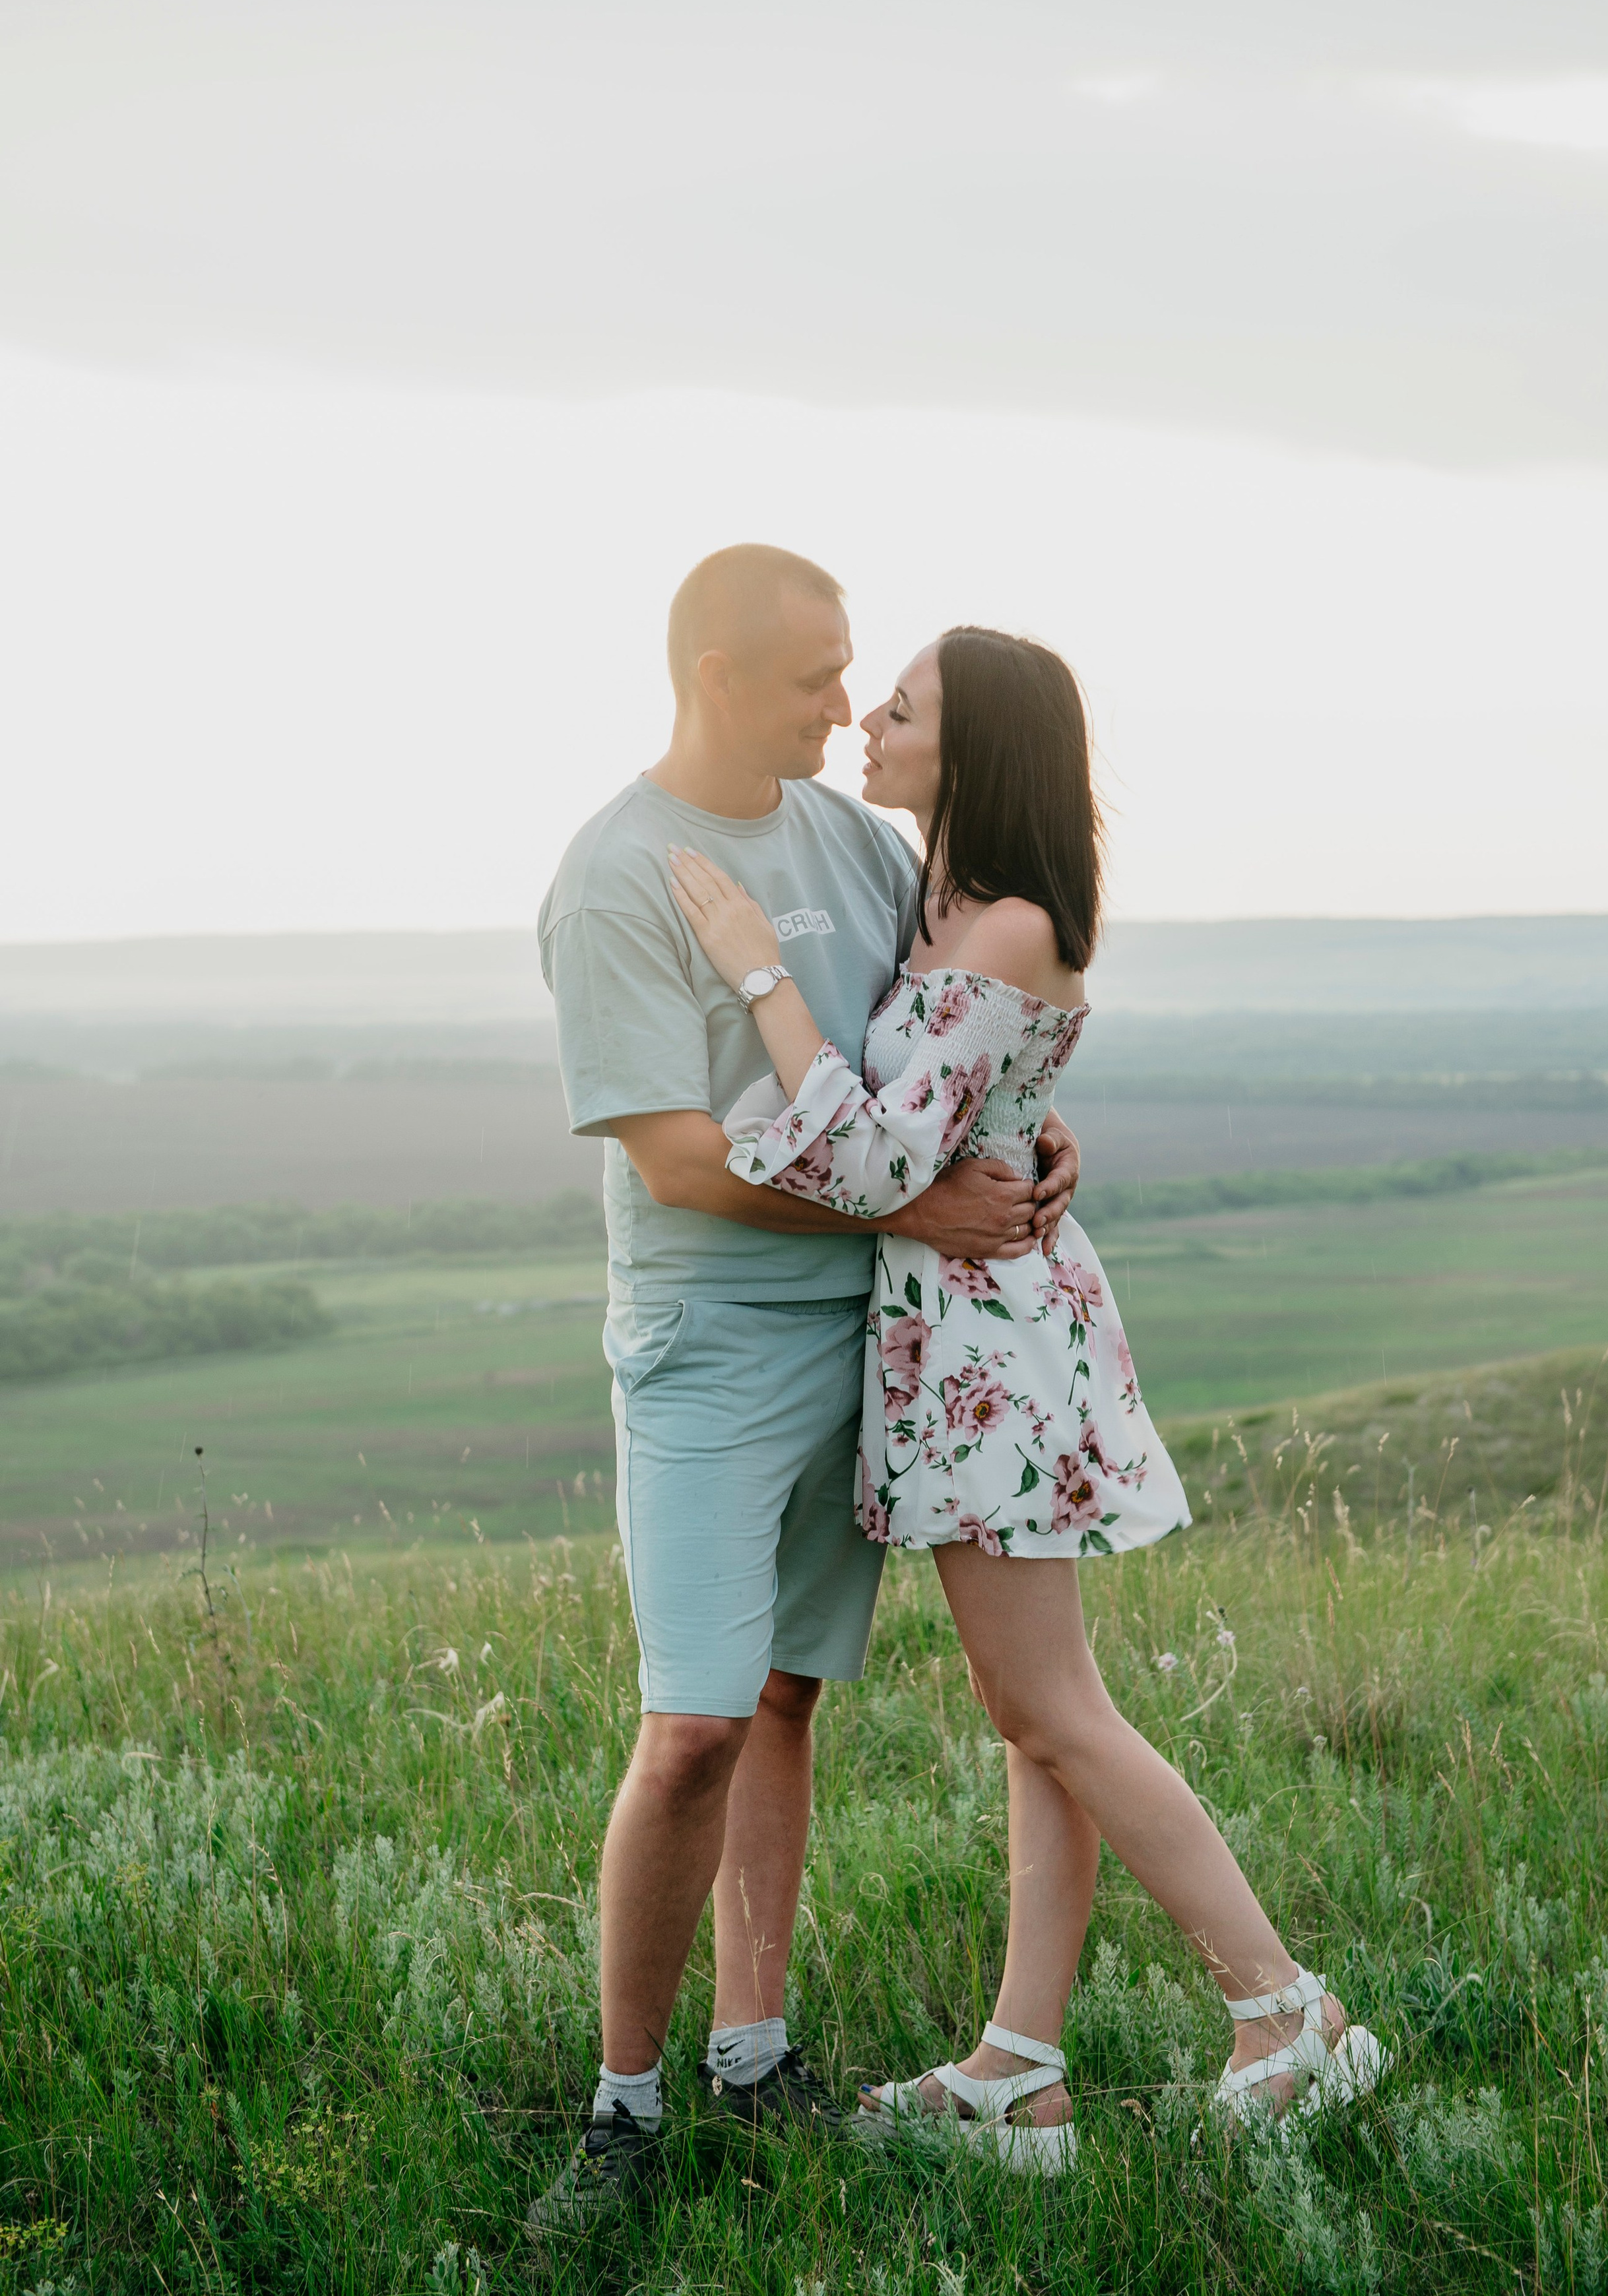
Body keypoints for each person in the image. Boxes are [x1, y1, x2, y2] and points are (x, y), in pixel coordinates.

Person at [668, 623, 1391, 2163]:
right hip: (981, 1328)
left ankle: (1280, 2004)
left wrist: (752, 971)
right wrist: (1036, 1129)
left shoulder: (998, 924)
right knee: (1029, 1717)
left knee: (1049, 1706)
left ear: (973, 741)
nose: (868, 716)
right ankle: (1016, 2064)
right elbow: (981, 1107)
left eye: (903, 703)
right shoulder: (937, 892)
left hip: (986, 1343)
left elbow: (870, 1158)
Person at [526, 550, 1083, 2226]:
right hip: (706, 1350)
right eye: (808, 680)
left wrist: (1030, 1135)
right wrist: (915, 1197)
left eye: (853, 674)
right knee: (690, 1724)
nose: (843, 709)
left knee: (784, 1701)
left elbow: (942, 1043)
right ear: (709, 672)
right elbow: (684, 1163)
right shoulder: (620, 874)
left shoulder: (846, 839)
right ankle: (624, 2110)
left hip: (866, 1337)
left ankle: (750, 2058)